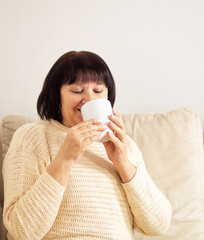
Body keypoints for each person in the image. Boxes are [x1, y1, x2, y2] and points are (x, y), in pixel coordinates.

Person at [3, 51, 172, 240]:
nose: (90, 99)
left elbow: (158, 226)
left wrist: (124, 164)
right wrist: (65, 159)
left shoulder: (125, 145)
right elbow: (21, 231)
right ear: (56, 95)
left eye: (98, 91)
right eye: (77, 91)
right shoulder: (33, 137)